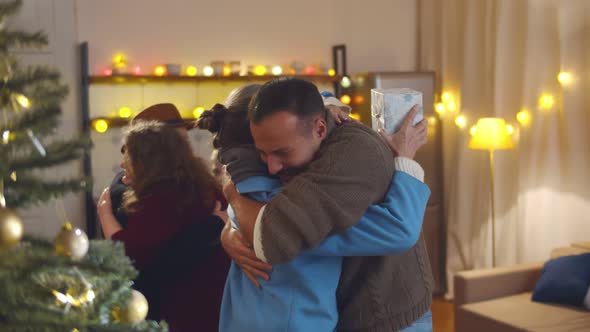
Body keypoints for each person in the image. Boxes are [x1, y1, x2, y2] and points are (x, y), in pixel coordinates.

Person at [198, 84, 430, 331]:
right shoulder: (283, 194)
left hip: (389, 316)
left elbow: (399, 230)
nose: (274, 166)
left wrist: (232, 195)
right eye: (264, 153)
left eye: (282, 151)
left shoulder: (333, 171)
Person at [97, 121, 229, 332]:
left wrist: (104, 213)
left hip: (187, 309)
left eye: (128, 156)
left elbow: (124, 255)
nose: (123, 164)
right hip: (217, 303)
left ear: (147, 162)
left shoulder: (164, 198)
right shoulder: (199, 184)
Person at [108, 103, 197, 228]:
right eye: (179, 143)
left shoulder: (188, 180)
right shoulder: (126, 194)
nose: (186, 149)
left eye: (186, 141)